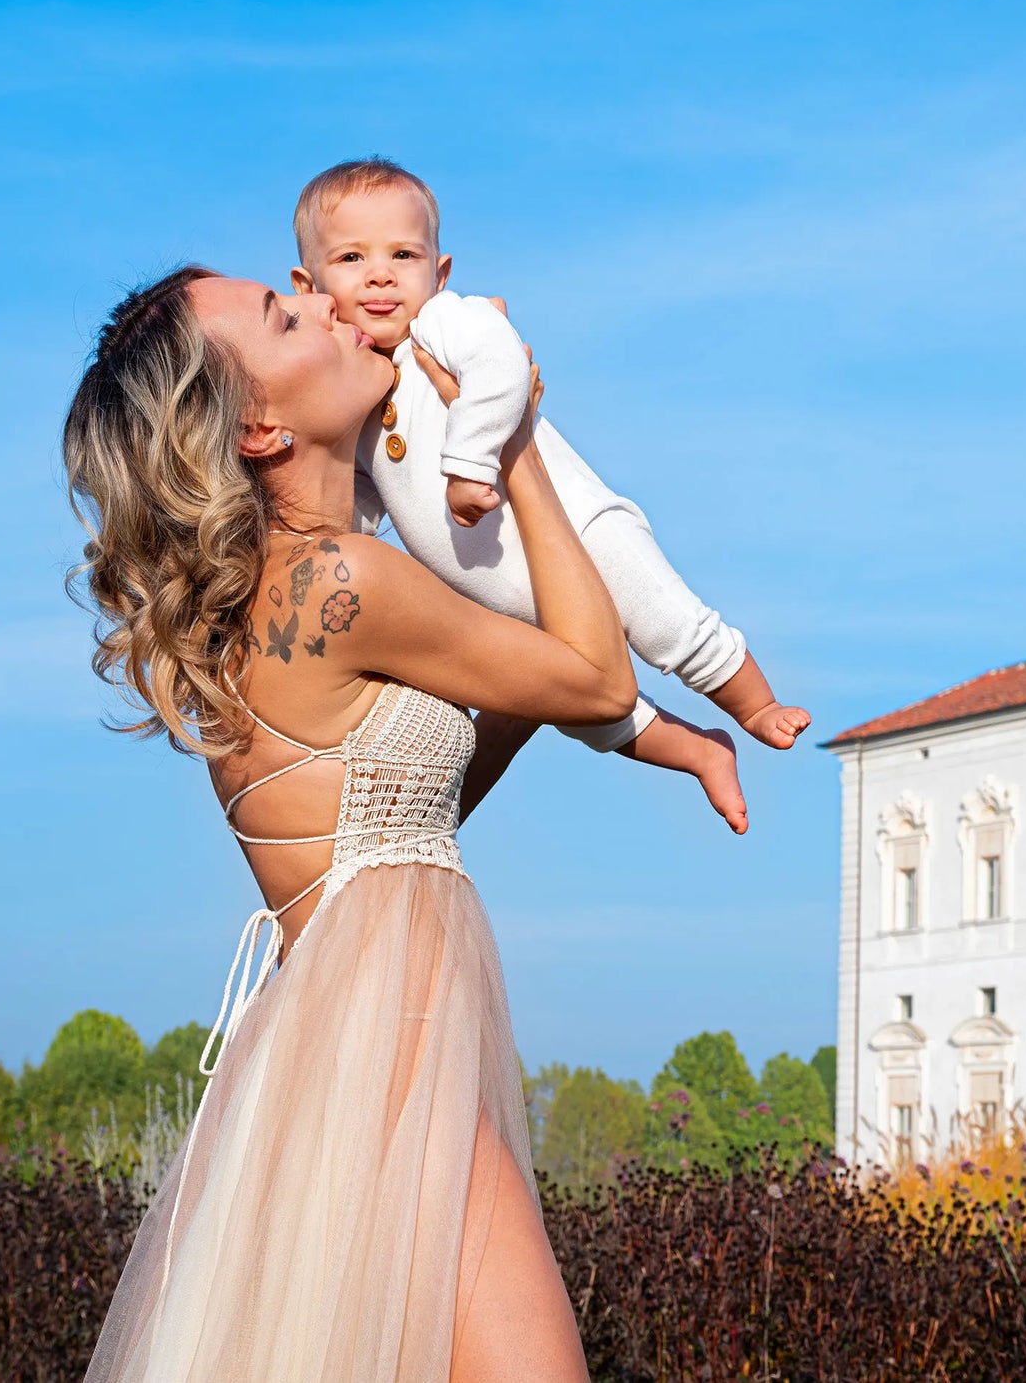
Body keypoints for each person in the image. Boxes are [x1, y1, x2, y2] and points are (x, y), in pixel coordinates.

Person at [63, 263, 637, 1382]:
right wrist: (507, 429)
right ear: (261, 426)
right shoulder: (341, 579)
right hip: (391, 1063)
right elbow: (602, 679)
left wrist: (525, 690)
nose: (329, 300)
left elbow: (402, 817)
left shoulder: (258, 603)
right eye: (286, 317)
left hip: (342, 1061)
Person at [289, 157, 812, 835]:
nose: (381, 273)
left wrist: (470, 463)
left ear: (439, 275)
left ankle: (754, 704)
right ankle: (697, 751)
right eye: (353, 256)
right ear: (310, 284)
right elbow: (358, 496)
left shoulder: (447, 326)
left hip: (576, 529)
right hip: (500, 594)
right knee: (583, 711)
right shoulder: (356, 389)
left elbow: (504, 368)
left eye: (403, 254)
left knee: (666, 620)